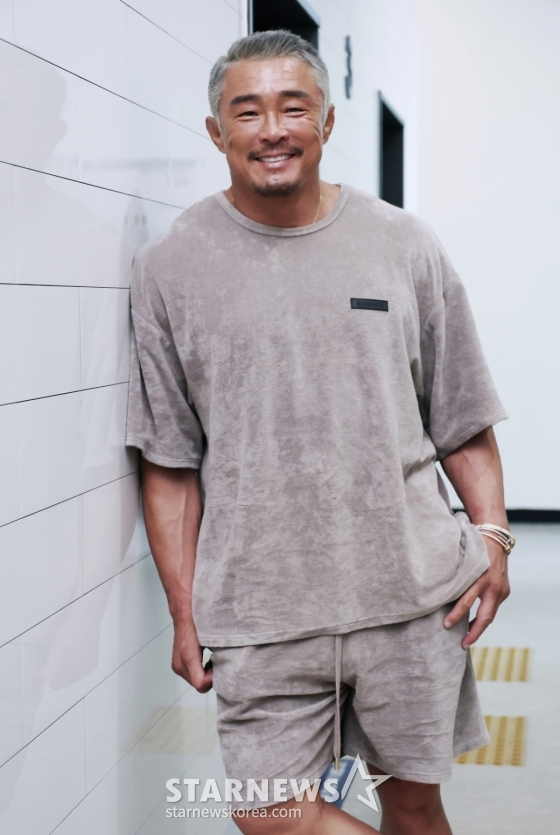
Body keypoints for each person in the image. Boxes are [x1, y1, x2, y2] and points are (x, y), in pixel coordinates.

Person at [126, 30, 513, 835]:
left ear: (327, 122)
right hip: (259, 612)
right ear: (217, 131)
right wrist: (184, 612)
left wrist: (494, 537)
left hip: (412, 597)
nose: (272, 129)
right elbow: (169, 462)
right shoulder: (170, 267)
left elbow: (461, 414)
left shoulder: (403, 244)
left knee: (413, 804)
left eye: (293, 107)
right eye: (248, 111)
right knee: (271, 815)